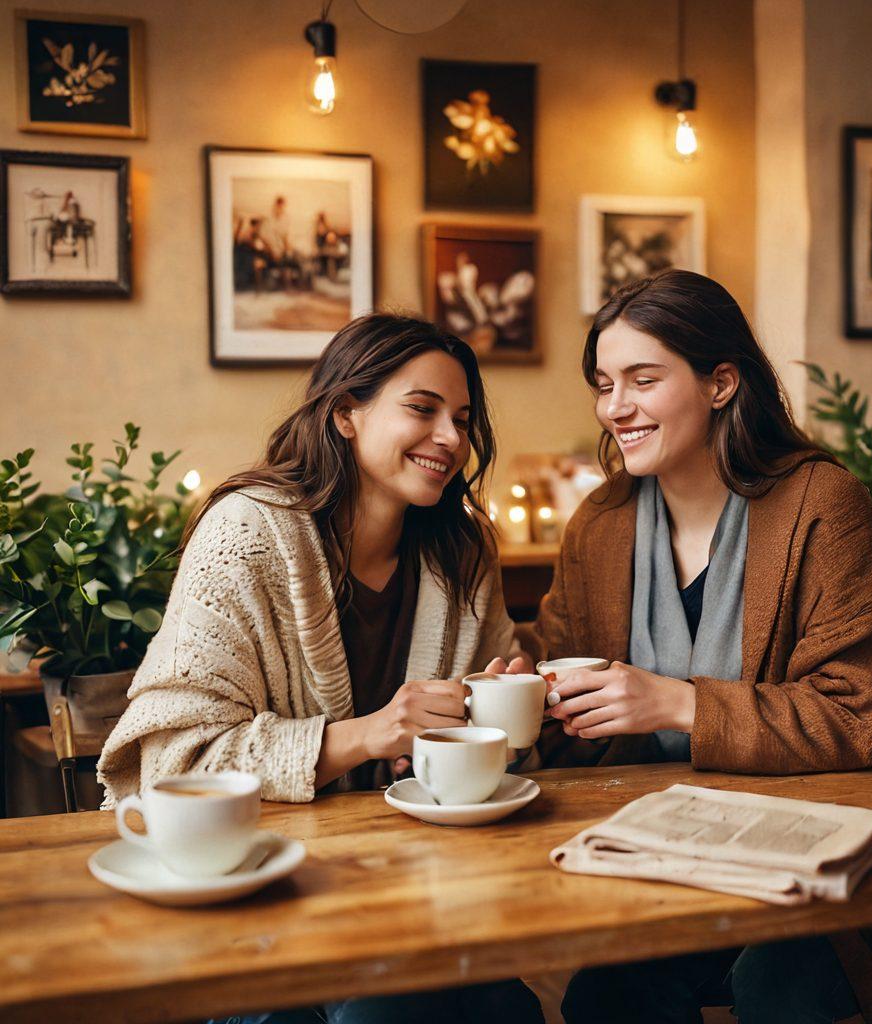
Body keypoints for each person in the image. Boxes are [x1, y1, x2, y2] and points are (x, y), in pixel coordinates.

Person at [532, 269, 872, 1024]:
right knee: (605, 995)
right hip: (670, 858)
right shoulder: (599, 525)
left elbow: (860, 712)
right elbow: (566, 711)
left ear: (721, 383)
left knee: (775, 987)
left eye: (643, 380)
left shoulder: (820, 504)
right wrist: (533, 701)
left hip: (832, 855)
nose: (615, 407)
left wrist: (679, 704)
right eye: (604, 385)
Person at [97, 312, 542, 1024]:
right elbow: (175, 761)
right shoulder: (245, 534)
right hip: (258, 894)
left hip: (419, 888)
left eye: (462, 420)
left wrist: (495, 709)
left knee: (508, 1009)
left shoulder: (462, 553)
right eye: (422, 409)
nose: (451, 439)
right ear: (344, 414)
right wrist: (368, 736)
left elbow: (493, 754)